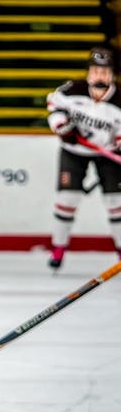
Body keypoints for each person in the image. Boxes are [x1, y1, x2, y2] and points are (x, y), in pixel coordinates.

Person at [45, 46, 121, 269]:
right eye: (96, 71)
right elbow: (54, 105)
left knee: (116, 203)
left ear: (112, 75)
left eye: (105, 72)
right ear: (89, 72)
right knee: (67, 199)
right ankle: (58, 249)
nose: (100, 76)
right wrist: (61, 126)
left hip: (107, 155)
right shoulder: (71, 90)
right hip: (74, 151)